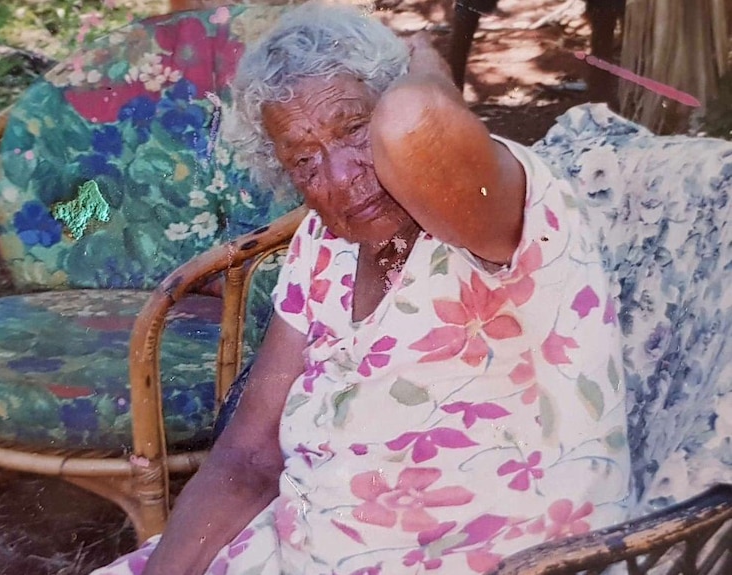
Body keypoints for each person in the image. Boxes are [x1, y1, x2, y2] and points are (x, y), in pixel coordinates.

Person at [93, 3, 631, 574]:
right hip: (307, 546)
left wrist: (423, 56)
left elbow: (417, 118)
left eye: (353, 129)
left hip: (495, 557)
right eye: (304, 159)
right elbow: (248, 455)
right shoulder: (322, 246)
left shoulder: (491, 212)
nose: (341, 176)